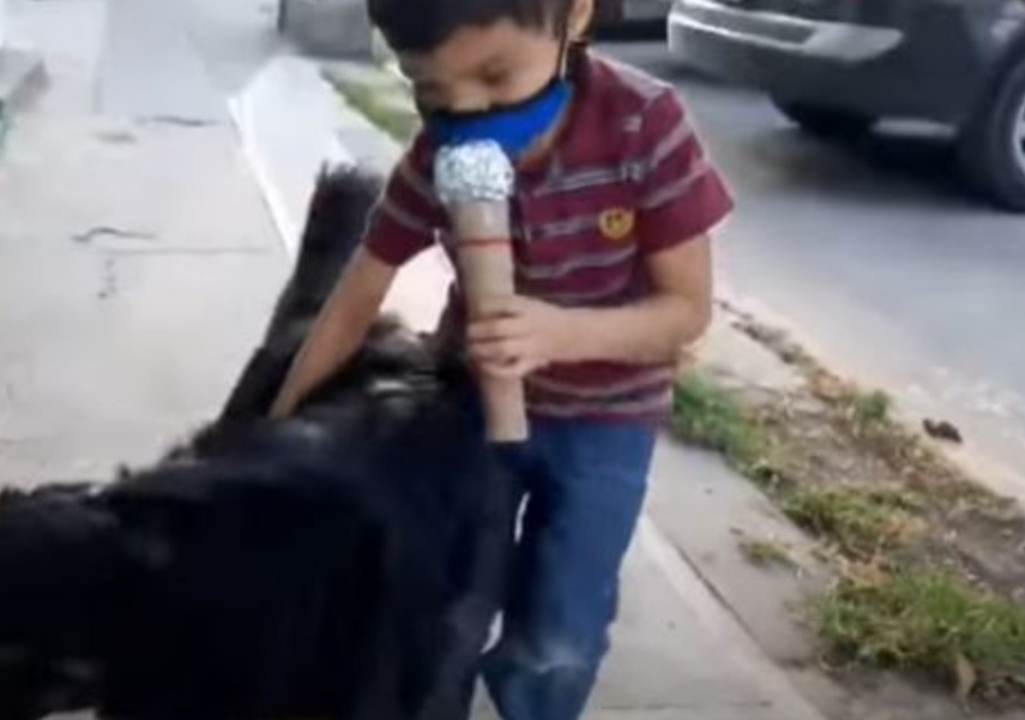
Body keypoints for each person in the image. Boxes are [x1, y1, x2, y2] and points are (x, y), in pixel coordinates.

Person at [268, 0, 734, 717]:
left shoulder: (644, 124)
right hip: (467, 409)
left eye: (494, 75)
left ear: (573, 17)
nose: (469, 113)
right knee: (446, 604)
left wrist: (561, 335)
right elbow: (354, 300)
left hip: (605, 425)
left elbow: (685, 312)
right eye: (432, 92)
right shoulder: (435, 156)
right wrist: (277, 427)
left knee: (558, 631)